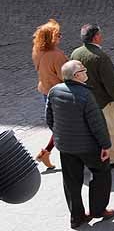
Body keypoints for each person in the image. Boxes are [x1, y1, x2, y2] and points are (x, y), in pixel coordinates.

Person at [46, 60, 114, 229]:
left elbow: (49, 118)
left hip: (66, 147)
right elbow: (97, 124)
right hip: (88, 147)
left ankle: (76, 217)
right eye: (84, 70)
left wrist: (61, 135)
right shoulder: (86, 95)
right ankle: (98, 210)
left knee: (71, 181)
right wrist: (105, 145)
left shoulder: (54, 91)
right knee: (101, 173)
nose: (86, 73)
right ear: (76, 76)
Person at [70, 24, 114, 168]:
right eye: (100, 34)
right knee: (111, 130)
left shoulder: (75, 53)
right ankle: (113, 159)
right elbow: (111, 84)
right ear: (96, 37)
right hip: (103, 101)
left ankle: (94, 157)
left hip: (84, 100)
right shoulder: (101, 57)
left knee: (91, 131)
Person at [32, 19, 67, 170]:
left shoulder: (37, 51)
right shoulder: (57, 55)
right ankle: (48, 152)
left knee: (58, 126)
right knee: (65, 127)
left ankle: (46, 152)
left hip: (46, 91)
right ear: (51, 37)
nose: (60, 37)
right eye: (58, 35)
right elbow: (67, 76)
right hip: (59, 95)